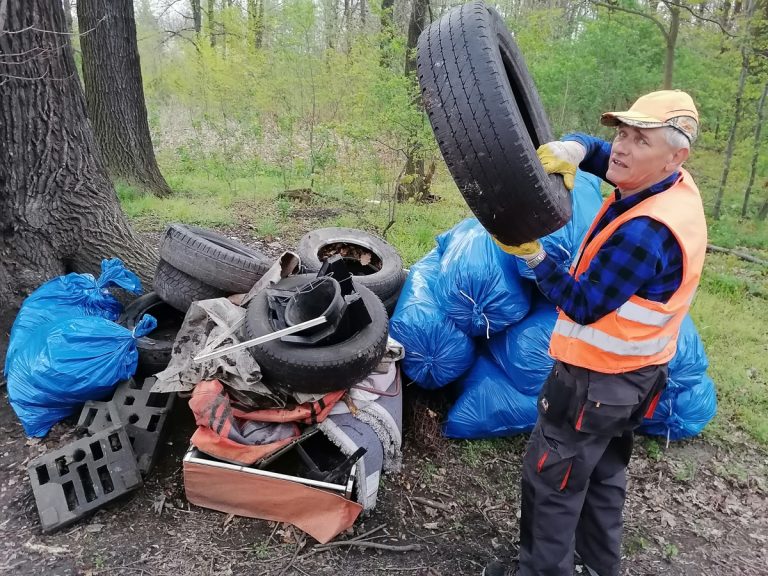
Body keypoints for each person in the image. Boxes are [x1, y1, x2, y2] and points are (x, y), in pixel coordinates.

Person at [485, 90, 707, 576]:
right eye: (621, 133)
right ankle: (598, 567)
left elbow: (583, 305)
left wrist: (532, 256)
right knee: (603, 477)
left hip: (595, 385)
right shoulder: (671, 188)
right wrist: (577, 149)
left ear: (677, 154)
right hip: (637, 378)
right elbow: (606, 156)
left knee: (552, 483)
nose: (622, 148)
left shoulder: (646, 232)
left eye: (639, 139)